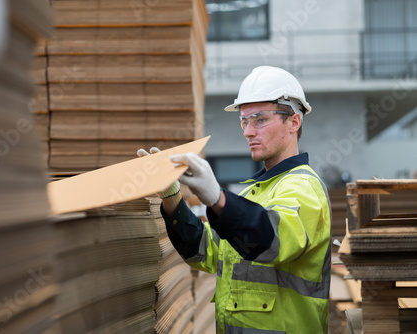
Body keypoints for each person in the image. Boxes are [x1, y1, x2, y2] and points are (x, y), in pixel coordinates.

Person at [138, 66, 331, 333]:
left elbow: (271, 239)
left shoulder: (302, 187)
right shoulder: (258, 190)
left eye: (260, 119)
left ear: (294, 122)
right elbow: (206, 252)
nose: (248, 132)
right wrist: (172, 197)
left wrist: (217, 199)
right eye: (244, 121)